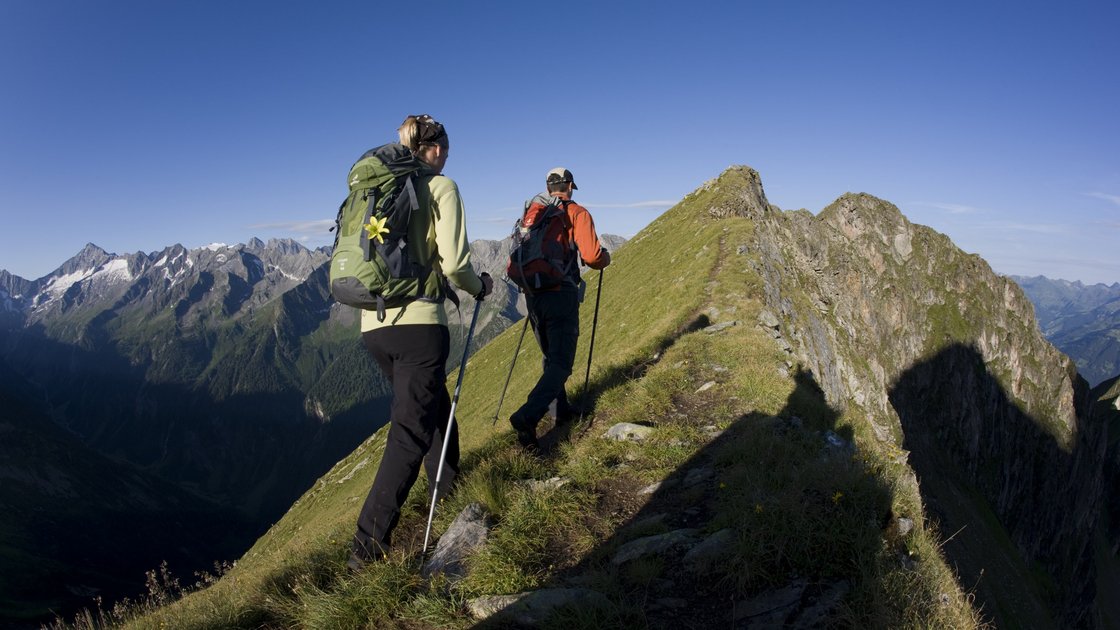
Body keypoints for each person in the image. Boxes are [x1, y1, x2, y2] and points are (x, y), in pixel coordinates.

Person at [348, 114, 493, 570]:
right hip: (419, 327)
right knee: (409, 431)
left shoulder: (377, 189)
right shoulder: (441, 187)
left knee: (434, 409)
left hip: (374, 326)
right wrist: (480, 287)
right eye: (445, 150)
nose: (447, 157)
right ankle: (365, 551)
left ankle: (449, 489)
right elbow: (454, 265)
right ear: (432, 149)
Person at [509, 167, 610, 451]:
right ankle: (527, 416)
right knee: (562, 363)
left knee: (549, 356)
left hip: (532, 295)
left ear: (549, 187)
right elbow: (591, 256)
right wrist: (606, 260)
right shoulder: (576, 213)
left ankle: (560, 410)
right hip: (560, 293)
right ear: (569, 186)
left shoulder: (534, 212)